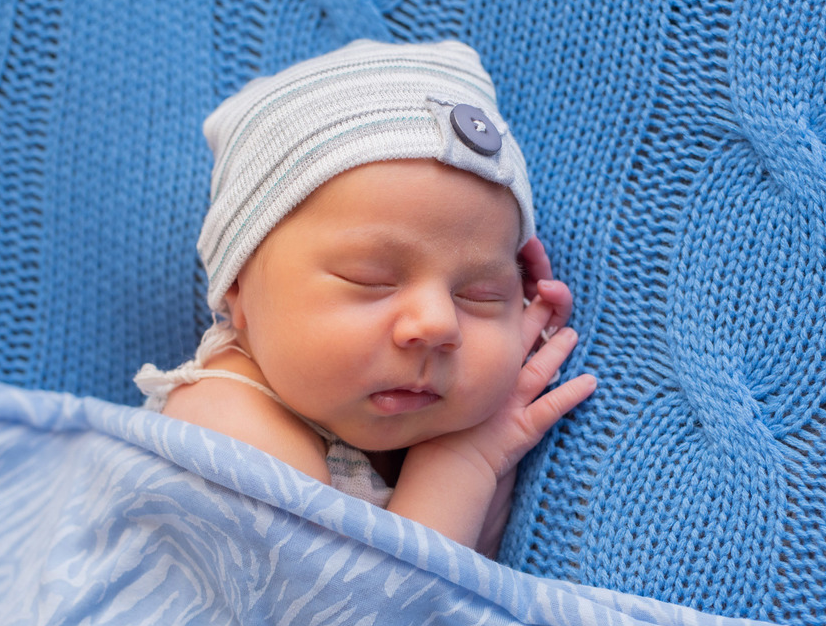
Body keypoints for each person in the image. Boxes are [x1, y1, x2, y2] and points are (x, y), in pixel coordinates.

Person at [136, 39, 596, 557]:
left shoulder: (408, 429)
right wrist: (464, 463)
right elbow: (358, 624)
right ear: (237, 289)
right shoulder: (223, 418)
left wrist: (475, 444)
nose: (439, 323)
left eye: (481, 294)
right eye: (371, 280)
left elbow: (477, 602)